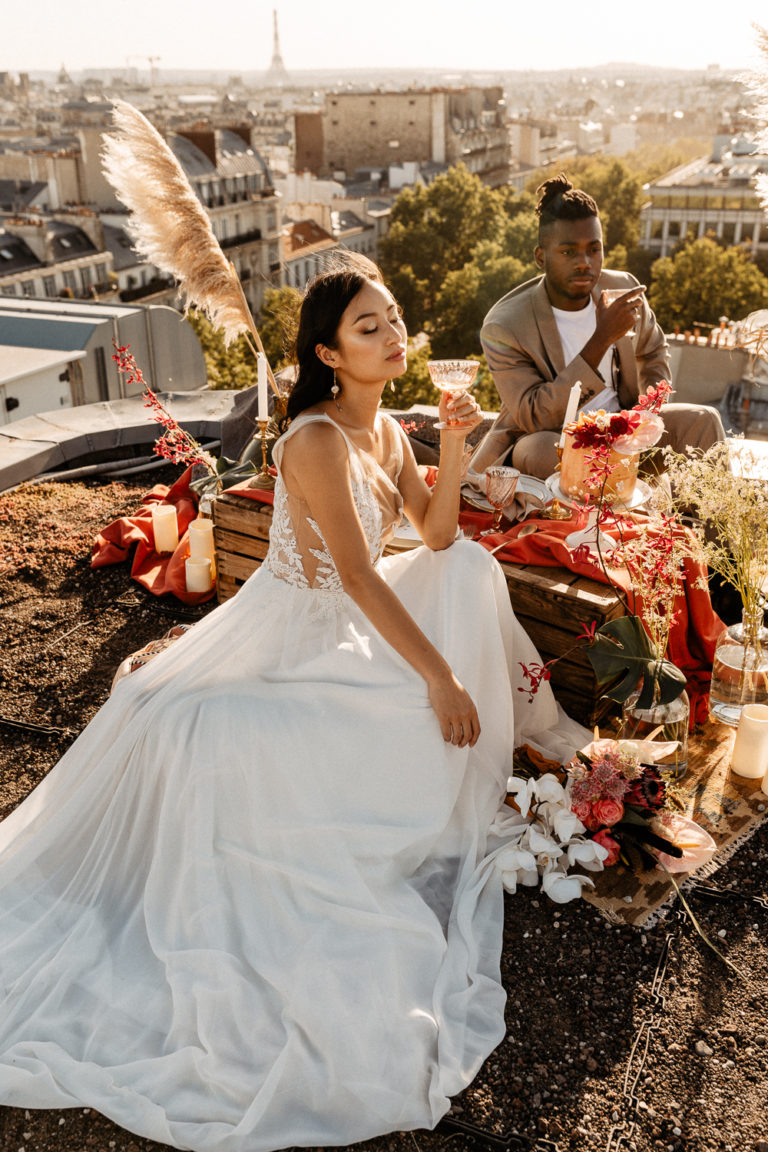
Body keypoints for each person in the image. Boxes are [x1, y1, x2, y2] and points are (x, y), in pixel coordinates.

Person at [0, 257, 588, 1152]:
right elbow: (354, 575)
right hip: (288, 633)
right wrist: (437, 675)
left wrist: (460, 439)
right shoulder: (312, 439)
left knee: (465, 566)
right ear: (327, 352)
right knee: (203, 723)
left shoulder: (388, 428)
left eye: (394, 320)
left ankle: (431, 757)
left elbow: (432, 536)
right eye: (368, 328)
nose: (393, 336)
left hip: (346, 628)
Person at [470, 176, 726, 480]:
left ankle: (704, 527)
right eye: (568, 252)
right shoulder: (505, 324)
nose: (585, 263)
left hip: (623, 431)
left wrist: (646, 415)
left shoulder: (623, 290)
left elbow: (654, 351)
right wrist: (601, 338)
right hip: (553, 438)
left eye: (594, 250)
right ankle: (617, 518)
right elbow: (533, 415)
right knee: (543, 448)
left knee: (704, 421)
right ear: (541, 257)